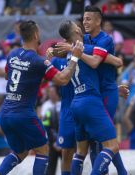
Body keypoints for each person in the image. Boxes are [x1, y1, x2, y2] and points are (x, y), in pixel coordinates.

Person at [0, 20, 83, 175]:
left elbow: (9, 76)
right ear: (36, 34)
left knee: (20, 152)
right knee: (43, 150)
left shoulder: (12, 54)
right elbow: (63, 79)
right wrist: (74, 57)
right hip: (23, 114)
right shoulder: (39, 61)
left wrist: (34, 77)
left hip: (6, 113)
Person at [54, 20, 127, 175]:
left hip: (76, 104)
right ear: (76, 31)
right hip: (90, 102)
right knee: (112, 146)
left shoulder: (68, 56)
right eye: (77, 25)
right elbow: (117, 61)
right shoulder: (86, 48)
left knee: (80, 151)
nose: (81, 25)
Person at [40, 85, 61, 175]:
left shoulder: (62, 104)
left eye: (53, 92)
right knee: (50, 168)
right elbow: (45, 125)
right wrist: (52, 141)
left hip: (63, 141)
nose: (51, 94)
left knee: (67, 166)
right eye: (50, 92)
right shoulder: (45, 106)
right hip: (51, 141)